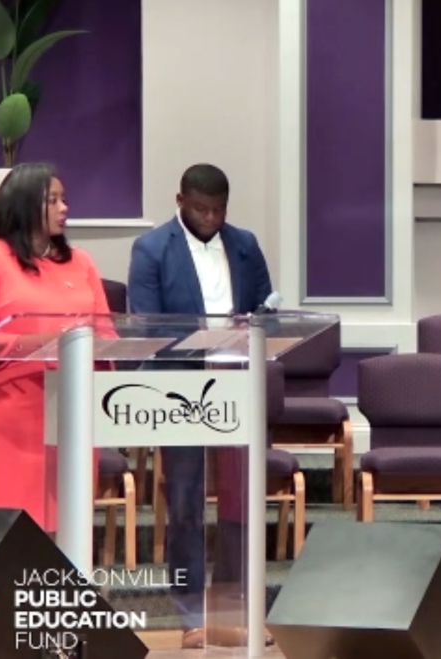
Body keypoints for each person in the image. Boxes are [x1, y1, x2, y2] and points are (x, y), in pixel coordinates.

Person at [127, 164, 273, 650]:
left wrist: (250, 324)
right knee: (186, 502)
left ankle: (235, 610)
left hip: (237, 384)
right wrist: (207, 336)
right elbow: (147, 328)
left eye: (219, 210)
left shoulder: (246, 244)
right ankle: (190, 612)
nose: (211, 218)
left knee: (241, 501)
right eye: (201, 208)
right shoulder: (151, 249)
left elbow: (265, 312)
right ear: (180, 200)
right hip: (179, 390)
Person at [0, 162, 108, 532]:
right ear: (23, 204)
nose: (64, 208)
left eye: (64, 199)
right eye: (52, 200)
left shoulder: (81, 262)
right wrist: (53, 340)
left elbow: (105, 329)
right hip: (9, 419)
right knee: (11, 536)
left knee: (67, 531)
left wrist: (91, 345)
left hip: (72, 412)